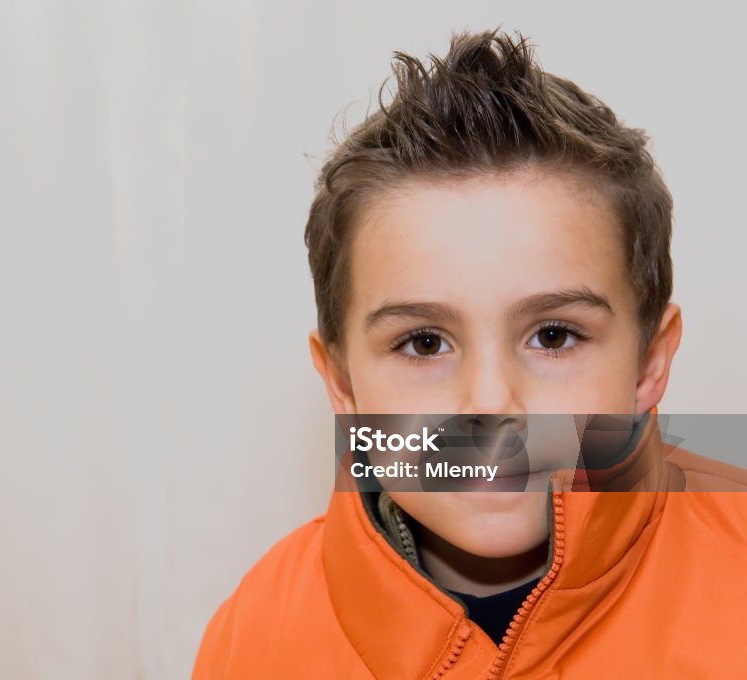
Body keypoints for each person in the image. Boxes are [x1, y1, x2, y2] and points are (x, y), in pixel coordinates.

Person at [193, 30, 747, 678]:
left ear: (651, 363)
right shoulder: (257, 633)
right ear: (342, 386)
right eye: (424, 343)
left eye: (553, 336)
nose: (489, 402)